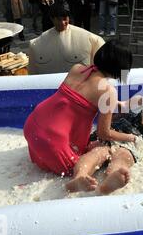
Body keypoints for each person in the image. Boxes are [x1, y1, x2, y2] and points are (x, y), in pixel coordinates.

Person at [24, 40, 134, 193]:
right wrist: (130, 137)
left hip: (33, 126)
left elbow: (73, 102)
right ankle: (78, 177)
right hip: (53, 142)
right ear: (121, 67)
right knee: (103, 150)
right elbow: (104, 133)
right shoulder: (108, 92)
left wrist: (117, 103)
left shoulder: (77, 69)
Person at [67, 75, 143, 195]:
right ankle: (79, 178)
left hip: (131, 146)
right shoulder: (139, 101)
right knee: (98, 152)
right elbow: (120, 106)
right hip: (112, 134)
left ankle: (110, 182)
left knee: (122, 156)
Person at [28, 0, 105, 75]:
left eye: (65, 19)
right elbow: (32, 74)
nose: (62, 22)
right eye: (58, 19)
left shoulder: (91, 39)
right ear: (52, 19)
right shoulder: (36, 44)